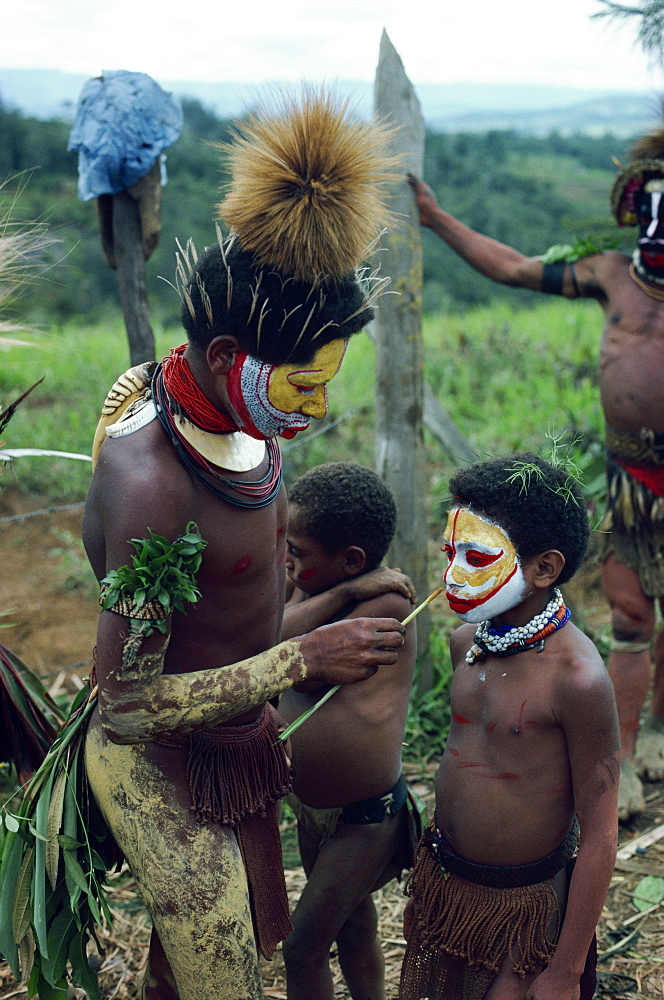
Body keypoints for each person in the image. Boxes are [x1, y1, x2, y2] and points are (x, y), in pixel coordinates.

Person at [82, 90, 406, 1000]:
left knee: (187, 968)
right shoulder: (154, 480)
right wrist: (301, 653)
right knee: (222, 980)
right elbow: (126, 706)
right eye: (304, 388)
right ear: (231, 357)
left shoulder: (225, 405)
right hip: (158, 757)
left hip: (237, 739)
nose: (319, 411)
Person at [408, 127, 664, 820]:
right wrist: (435, 219)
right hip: (632, 480)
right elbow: (514, 268)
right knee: (632, 615)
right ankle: (626, 759)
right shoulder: (612, 273)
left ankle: (655, 734)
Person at [399, 453, 619, 1000]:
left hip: (525, 914)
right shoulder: (463, 644)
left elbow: (600, 832)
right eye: (450, 553)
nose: (452, 574)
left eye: (475, 556)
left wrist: (565, 969)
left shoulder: (578, 679)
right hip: (446, 892)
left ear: (544, 568)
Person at [277, 462, 418, 1000]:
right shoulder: (310, 593)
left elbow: (284, 651)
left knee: (303, 947)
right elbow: (269, 635)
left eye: (298, 551)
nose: (287, 560)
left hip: (365, 817)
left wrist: (347, 596)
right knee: (353, 924)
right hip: (313, 812)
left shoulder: (386, 605)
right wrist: (337, 592)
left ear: (352, 560)